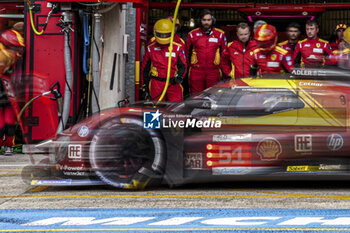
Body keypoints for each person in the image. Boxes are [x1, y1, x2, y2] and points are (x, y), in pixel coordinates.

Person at [141, 19, 187, 102]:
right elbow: (145, 69)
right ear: (155, 33)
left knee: (175, 109)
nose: (163, 37)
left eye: (166, 35)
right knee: (157, 109)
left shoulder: (177, 47)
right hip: (156, 83)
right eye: (161, 35)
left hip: (173, 83)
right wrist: (145, 87)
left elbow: (183, 66)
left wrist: (178, 77)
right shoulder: (150, 48)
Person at [186, 9, 227, 94]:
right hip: (196, 71)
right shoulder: (192, 34)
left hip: (214, 71)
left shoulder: (220, 34)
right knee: (196, 96)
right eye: (204, 20)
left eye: (208, 20)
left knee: (213, 95)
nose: (206, 22)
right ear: (200, 21)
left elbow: (225, 55)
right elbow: (186, 53)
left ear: (213, 20)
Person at [0, 29, 25, 155]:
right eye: (16, 50)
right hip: (4, 93)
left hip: (8, 95)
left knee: (10, 123)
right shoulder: (3, 57)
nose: (18, 54)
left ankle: (9, 145)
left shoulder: (12, 61)